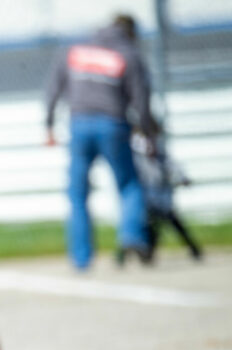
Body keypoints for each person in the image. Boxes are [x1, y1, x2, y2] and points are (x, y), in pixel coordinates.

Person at [45, 13, 158, 269]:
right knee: (129, 184)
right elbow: (141, 99)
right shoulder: (128, 54)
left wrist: (49, 124)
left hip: (79, 123)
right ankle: (131, 235)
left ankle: (81, 257)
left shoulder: (76, 50)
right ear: (130, 33)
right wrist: (148, 134)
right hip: (113, 124)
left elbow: (53, 88)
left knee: (77, 194)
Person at [125, 128, 202, 263]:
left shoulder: (163, 158)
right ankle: (142, 254)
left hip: (163, 199)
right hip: (148, 201)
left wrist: (183, 179)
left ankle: (194, 249)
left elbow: (175, 168)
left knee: (175, 223)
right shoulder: (137, 161)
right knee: (148, 228)